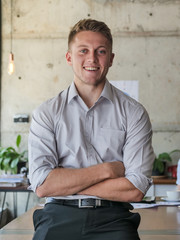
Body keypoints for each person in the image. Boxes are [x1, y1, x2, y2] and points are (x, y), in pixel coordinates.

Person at [28, 18, 155, 240]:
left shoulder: (134, 113)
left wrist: (66, 183)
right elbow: (42, 185)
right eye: (83, 50)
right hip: (58, 216)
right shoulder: (46, 113)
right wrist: (106, 170)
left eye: (101, 51)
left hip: (114, 218)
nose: (92, 59)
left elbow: (136, 188)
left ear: (111, 58)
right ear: (69, 57)